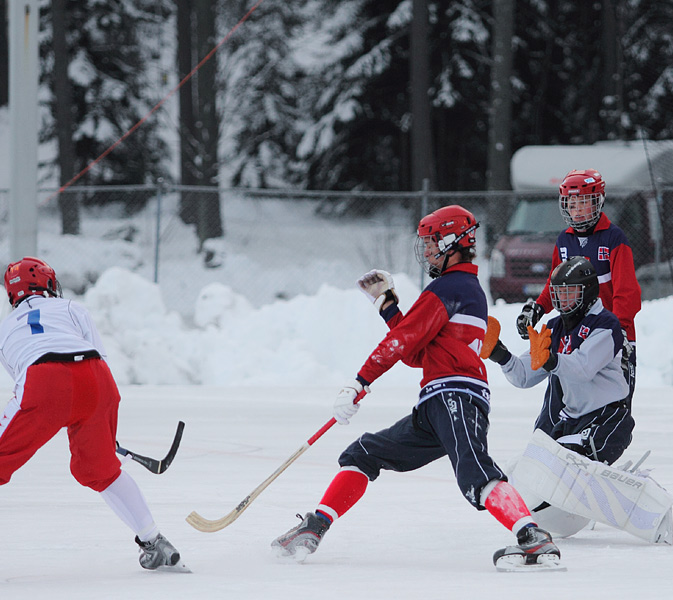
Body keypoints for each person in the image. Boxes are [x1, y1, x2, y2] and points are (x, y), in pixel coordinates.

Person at [271, 205, 561, 571]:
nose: (426, 252)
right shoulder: (459, 288)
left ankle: (532, 536)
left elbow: (402, 343)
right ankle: (315, 527)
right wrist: (388, 305)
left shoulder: (451, 286)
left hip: (456, 397)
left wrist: (360, 382)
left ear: (453, 242)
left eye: (431, 243)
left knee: (475, 472)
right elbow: (417, 352)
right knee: (364, 453)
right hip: (435, 404)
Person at [0, 257, 187, 571]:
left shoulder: (3, 329)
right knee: (100, 469)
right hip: (96, 379)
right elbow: (101, 357)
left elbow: (23, 378)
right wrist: (102, 427)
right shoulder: (71, 308)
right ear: (47, 284)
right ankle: (153, 539)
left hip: (42, 382)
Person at [515, 169, 641, 427]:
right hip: (574, 336)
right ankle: (558, 445)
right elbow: (555, 282)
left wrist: (619, 332)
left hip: (609, 338)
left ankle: (599, 450)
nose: (577, 210)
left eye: (583, 202)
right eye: (571, 204)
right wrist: (537, 308)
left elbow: (627, 293)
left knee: (611, 404)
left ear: (598, 202)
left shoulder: (613, 238)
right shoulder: (564, 240)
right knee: (566, 402)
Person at [488, 256, 633, 466]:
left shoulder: (607, 325)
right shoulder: (555, 327)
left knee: (566, 461)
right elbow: (524, 376)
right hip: (571, 421)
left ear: (588, 290)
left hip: (606, 420)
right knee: (534, 463)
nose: (562, 299)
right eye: (558, 293)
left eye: (569, 292)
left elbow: (583, 368)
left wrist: (550, 359)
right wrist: (499, 354)